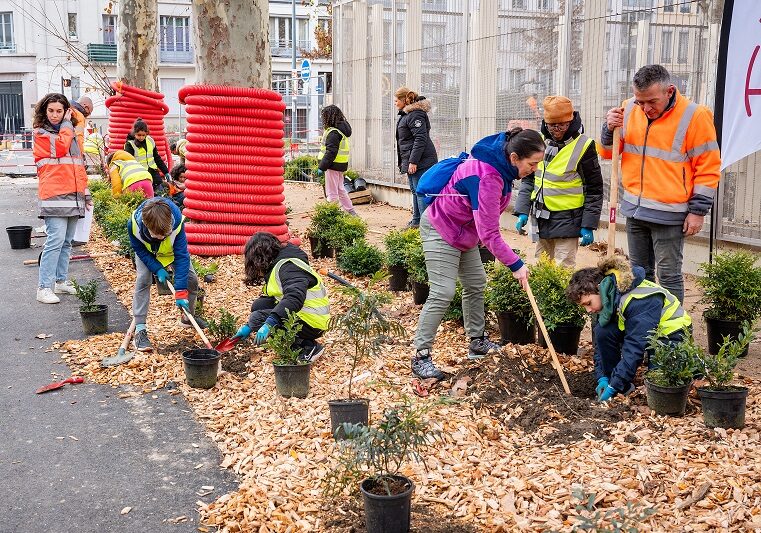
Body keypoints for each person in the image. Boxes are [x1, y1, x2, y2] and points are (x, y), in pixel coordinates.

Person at [411, 128, 543, 380]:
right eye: (532, 163)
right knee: (443, 291)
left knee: (476, 283)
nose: (534, 169)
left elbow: (484, 224)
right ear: (514, 157)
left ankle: (477, 341)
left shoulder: (501, 167)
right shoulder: (488, 176)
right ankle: (421, 355)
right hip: (442, 226)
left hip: (464, 231)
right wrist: (516, 264)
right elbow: (490, 234)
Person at [599, 65, 720, 304]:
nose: (645, 108)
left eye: (652, 101)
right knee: (640, 274)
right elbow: (608, 153)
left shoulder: (695, 115)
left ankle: (672, 332)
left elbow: (708, 167)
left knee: (669, 276)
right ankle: (646, 325)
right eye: (640, 101)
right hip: (635, 209)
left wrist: (697, 212)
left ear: (669, 91)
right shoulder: (629, 108)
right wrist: (608, 129)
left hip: (670, 213)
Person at [567, 255, 692, 402]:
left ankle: (619, 384)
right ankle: (619, 384)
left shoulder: (639, 300)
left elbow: (634, 348)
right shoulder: (608, 298)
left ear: (599, 288)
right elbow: (600, 345)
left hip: (671, 333)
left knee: (660, 383)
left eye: (588, 303)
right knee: (603, 331)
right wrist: (603, 377)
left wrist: (615, 385)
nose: (588, 310)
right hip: (643, 329)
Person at [514, 96, 603, 268]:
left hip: (569, 219)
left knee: (564, 267)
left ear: (571, 121)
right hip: (542, 215)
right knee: (542, 266)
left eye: (562, 124)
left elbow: (594, 189)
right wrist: (522, 210)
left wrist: (588, 225)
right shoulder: (539, 141)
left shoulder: (583, 146)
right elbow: (529, 180)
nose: (557, 129)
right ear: (545, 123)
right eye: (552, 125)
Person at [232, 232, 330, 362]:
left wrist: (270, 323)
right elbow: (271, 299)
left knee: (258, 318)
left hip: (313, 321)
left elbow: (294, 297)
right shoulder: (278, 264)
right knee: (258, 307)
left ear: (259, 258)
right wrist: (248, 326)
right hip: (305, 314)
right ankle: (294, 340)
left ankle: (308, 346)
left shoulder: (289, 267)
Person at [33, 93, 91, 304]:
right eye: (51, 111)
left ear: (66, 110)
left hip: (73, 196)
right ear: (44, 111)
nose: (55, 115)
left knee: (66, 242)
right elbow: (59, 147)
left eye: (59, 111)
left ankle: (60, 281)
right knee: (55, 241)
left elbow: (78, 165)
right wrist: (67, 123)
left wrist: (85, 192)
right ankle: (43, 288)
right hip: (54, 196)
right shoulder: (40, 133)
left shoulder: (70, 134)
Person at [127, 197, 204, 352]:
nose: (162, 237)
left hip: (172, 253)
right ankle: (140, 329)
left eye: (165, 234)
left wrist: (181, 291)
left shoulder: (176, 223)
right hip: (148, 253)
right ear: (146, 224)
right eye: (157, 235)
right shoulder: (133, 225)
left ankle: (187, 317)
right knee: (143, 280)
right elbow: (140, 250)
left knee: (191, 279)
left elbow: (182, 256)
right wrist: (157, 268)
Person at [395, 87, 438, 228]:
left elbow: (420, 138)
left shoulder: (415, 114)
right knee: (415, 190)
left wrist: (413, 161)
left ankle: (425, 225)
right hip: (413, 159)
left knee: (421, 191)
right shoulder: (407, 115)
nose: (395, 103)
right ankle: (417, 221)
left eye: (396, 100)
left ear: (404, 100)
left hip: (422, 160)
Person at [317, 105, 357, 215]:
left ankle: (332, 214)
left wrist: (322, 167)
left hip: (332, 166)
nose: (323, 119)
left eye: (324, 117)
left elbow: (331, 152)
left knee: (332, 192)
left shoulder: (333, 132)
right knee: (340, 189)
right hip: (339, 166)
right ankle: (351, 211)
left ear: (329, 117)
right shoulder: (340, 131)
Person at [124, 118, 171, 192]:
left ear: (146, 133)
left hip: (153, 172)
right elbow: (129, 163)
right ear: (134, 133)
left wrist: (166, 172)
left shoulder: (150, 141)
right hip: (140, 174)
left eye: (143, 135)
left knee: (161, 191)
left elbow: (157, 158)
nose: (141, 137)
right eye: (139, 135)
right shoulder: (130, 144)